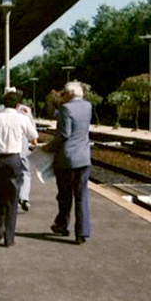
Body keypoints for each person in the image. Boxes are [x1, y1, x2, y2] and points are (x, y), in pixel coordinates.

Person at [0, 91, 38, 247]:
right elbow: (34, 139)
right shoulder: (22, 119)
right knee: (12, 199)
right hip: (14, 160)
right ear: (18, 105)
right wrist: (28, 116)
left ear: (3, 104)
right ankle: (9, 238)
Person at [43, 81, 92, 245]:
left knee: (64, 195)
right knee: (81, 195)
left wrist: (48, 147)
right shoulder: (88, 106)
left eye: (63, 93)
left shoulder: (66, 109)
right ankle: (82, 232)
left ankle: (63, 225)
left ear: (70, 94)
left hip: (67, 159)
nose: (62, 96)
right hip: (84, 158)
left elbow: (64, 134)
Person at [16, 102, 37, 212]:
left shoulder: (1, 110)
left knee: (11, 174)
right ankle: (24, 197)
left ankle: (15, 198)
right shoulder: (26, 110)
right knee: (25, 172)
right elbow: (32, 128)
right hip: (23, 146)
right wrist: (34, 143)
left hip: (9, 149)